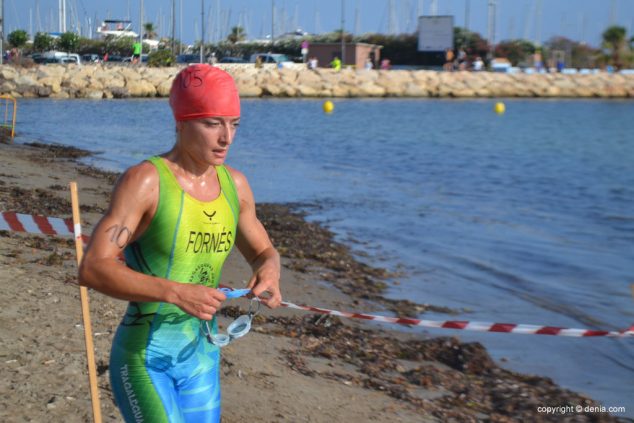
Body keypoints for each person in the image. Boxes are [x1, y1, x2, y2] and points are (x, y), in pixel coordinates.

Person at [79, 64, 282, 422]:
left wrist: (269, 271)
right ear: (182, 121)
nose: (226, 138)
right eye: (212, 123)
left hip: (201, 359)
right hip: (145, 359)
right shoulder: (146, 181)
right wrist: (175, 292)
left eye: (234, 124)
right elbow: (94, 267)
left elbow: (264, 252)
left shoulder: (235, 185)